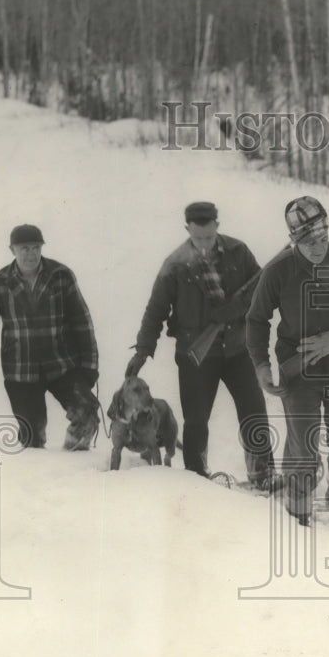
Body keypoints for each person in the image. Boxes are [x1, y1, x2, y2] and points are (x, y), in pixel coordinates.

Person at [246, 196, 329, 527]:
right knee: (301, 440)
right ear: (294, 240)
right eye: (309, 242)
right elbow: (256, 319)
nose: (319, 247)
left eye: (323, 239)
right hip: (299, 368)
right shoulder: (278, 270)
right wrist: (262, 366)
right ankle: (299, 507)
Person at [126, 201, 275, 486]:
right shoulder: (174, 264)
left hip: (236, 349)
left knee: (254, 410)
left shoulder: (238, 251)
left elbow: (261, 286)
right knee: (196, 420)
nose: (205, 243)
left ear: (217, 226)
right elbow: (155, 310)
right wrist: (144, 350)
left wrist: (238, 308)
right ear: (187, 230)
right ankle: (197, 478)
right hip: (195, 355)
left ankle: (263, 474)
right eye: (198, 237)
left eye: (209, 236)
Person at [0, 224, 100, 450]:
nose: (31, 254)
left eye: (35, 247)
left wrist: (89, 365)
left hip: (61, 364)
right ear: (12, 250)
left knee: (87, 412)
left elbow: (83, 322)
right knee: (32, 437)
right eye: (24, 248)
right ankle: (37, 476)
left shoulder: (61, 276)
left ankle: (74, 465)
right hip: (21, 371)